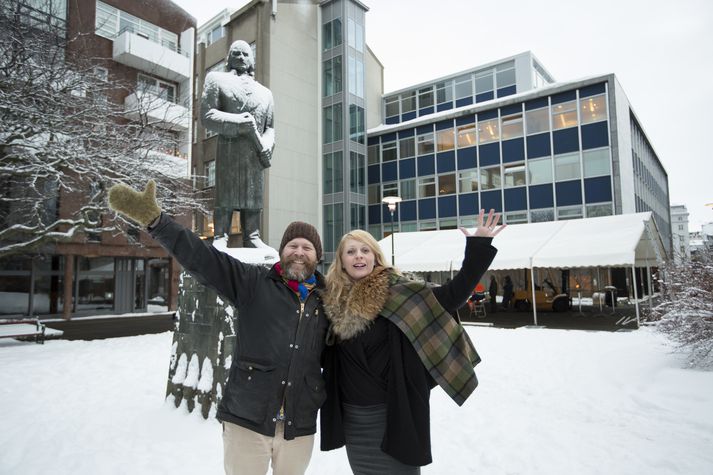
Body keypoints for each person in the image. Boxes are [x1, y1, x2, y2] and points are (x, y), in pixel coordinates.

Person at [107, 181, 327, 475]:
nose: (299, 252)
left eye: (307, 247)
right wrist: (157, 221)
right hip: (247, 420)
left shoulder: (329, 301)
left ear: (317, 256)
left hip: (298, 427)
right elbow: (203, 258)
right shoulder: (253, 282)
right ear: (281, 252)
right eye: (292, 246)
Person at [320, 209, 506, 473]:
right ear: (341, 261)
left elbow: (453, 296)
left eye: (365, 250)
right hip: (353, 421)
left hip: (394, 416)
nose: (358, 256)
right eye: (350, 252)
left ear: (375, 256)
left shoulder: (401, 291)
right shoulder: (332, 302)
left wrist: (478, 246)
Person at [201, 40, 275, 246]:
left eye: (245, 54)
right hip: (229, 148)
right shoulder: (216, 79)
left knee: (253, 196)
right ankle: (220, 235)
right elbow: (206, 115)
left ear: (252, 60)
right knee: (226, 195)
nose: (241, 57)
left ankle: (252, 235)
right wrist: (237, 123)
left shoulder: (266, 93)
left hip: (254, 153)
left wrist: (268, 145)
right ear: (228, 59)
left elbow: (270, 128)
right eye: (236, 53)